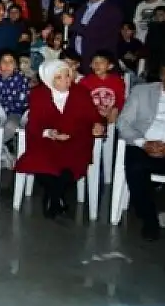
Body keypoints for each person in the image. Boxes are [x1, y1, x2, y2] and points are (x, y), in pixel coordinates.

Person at [17, 61, 104, 219]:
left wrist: (98, 124)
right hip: (48, 139)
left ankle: (52, 197)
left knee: (71, 163)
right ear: (49, 80)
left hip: (76, 139)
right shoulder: (38, 94)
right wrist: (50, 133)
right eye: (59, 77)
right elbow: (34, 124)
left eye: (67, 76)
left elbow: (94, 116)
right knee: (42, 160)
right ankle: (57, 197)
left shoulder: (81, 92)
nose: (65, 80)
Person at [117, 65, 165, 241]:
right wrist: (144, 143)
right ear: (162, 75)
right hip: (142, 144)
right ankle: (149, 218)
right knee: (136, 168)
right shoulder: (142, 91)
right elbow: (123, 123)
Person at [68, 0, 124, 73]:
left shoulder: (112, 10)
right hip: (80, 64)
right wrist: (59, 10)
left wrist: (72, 23)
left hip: (100, 67)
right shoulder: (82, 8)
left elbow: (96, 33)